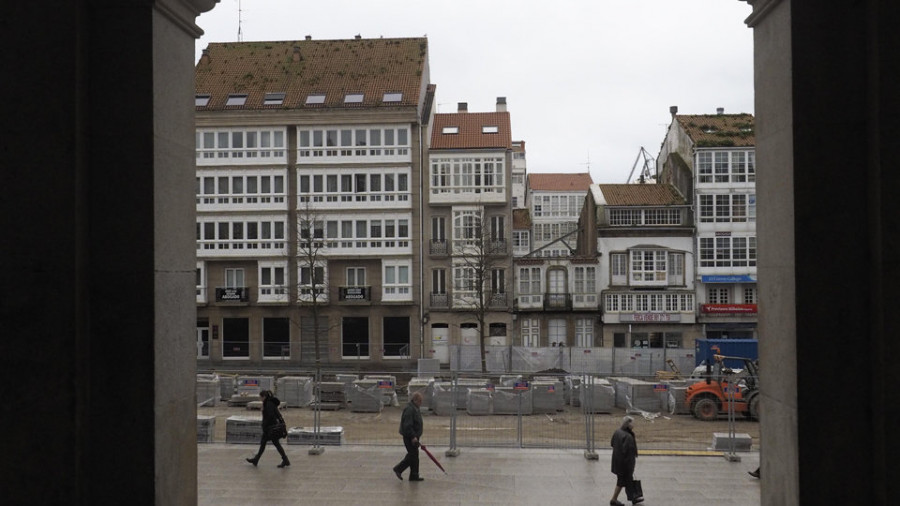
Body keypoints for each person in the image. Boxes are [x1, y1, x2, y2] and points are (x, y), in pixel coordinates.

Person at [245, 389, 290, 468]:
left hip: (270, 428)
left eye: (261, 397)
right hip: (271, 428)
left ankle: (285, 460)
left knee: (270, 443)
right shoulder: (270, 403)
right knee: (269, 443)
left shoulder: (268, 404)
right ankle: (284, 460)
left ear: (264, 397)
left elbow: (270, 416)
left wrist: (265, 425)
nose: (260, 399)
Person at [610, 415, 642, 505]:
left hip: (617, 462)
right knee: (621, 482)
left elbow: (612, 443)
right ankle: (613, 499)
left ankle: (633, 498)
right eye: (632, 423)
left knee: (628, 480)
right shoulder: (628, 437)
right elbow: (630, 454)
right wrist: (630, 467)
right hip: (624, 465)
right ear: (628, 424)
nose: (634, 425)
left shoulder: (617, 432)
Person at [392, 391, 424, 481]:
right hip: (409, 437)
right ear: (415, 400)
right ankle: (398, 468)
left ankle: (414, 475)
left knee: (414, 455)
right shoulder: (410, 410)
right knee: (413, 455)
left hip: (414, 436)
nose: (421, 403)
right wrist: (413, 436)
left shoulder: (415, 408)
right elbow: (407, 425)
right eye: (420, 401)